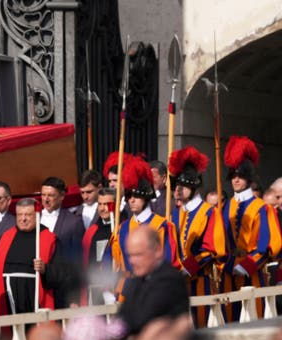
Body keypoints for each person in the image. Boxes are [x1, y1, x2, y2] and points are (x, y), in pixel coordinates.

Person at [222, 136, 281, 320]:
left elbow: (267, 245)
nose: (236, 179)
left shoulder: (262, 208)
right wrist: (228, 265)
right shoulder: (226, 207)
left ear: (248, 178)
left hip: (253, 275)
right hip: (229, 275)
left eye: (240, 176)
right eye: (233, 176)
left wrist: (246, 266)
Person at [107, 155, 180, 298]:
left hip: (154, 292)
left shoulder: (163, 226)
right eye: (129, 196)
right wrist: (109, 289)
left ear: (146, 197)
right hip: (125, 294)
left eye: (137, 196)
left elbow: (168, 260)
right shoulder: (121, 228)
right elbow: (110, 259)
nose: (132, 200)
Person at [168, 146, 226, 327]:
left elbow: (211, 249)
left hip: (201, 281)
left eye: (182, 185)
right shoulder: (175, 214)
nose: (177, 189)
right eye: (176, 185)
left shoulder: (209, 212)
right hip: (178, 284)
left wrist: (187, 267)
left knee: (202, 329)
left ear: (193, 185)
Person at [0, 198, 77, 315]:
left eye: (28, 215)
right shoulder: (4, 238)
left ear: (37, 215)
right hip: (8, 302)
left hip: (35, 302)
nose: (23, 219)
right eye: (19, 214)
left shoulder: (50, 239)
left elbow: (64, 273)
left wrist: (45, 269)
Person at [117, 226, 189, 336]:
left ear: (158, 251)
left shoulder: (169, 279)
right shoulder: (137, 280)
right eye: (130, 255)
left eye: (138, 254)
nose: (132, 261)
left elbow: (143, 319)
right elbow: (123, 318)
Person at [40, 176, 84, 263]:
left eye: (51, 195)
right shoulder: (34, 217)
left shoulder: (73, 222)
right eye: (43, 195)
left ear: (62, 196)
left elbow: (77, 257)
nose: (46, 199)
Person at [82, 188, 115, 270]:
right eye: (100, 204)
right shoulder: (91, 232)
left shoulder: (124, 227)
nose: (102, 208)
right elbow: (85, 263)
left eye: (107, 204)